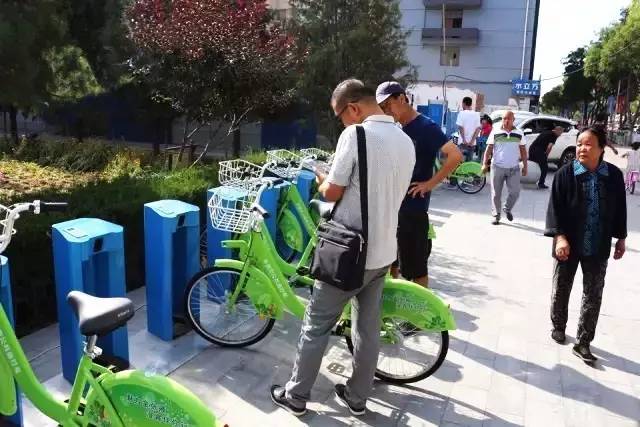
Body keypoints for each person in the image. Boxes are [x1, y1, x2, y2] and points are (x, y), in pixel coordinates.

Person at [271, 79, 415, 417]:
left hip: (349, 253)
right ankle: (357, 397)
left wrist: (323, 182)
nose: (342, 123)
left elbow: (333, 192)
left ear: (353, 108)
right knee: (367, 329)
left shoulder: (356, 135)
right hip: (383, 252)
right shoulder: (405, 140)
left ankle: (296, 395)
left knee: (316, 324)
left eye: (340, 116)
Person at [545, 126, 627, 364]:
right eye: (579, 143)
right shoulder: (565, 174)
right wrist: (559, 237)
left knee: (593, 294)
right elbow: (554, 209)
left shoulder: (613, 175)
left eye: (588, 144)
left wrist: (621, 237)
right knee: (562, 286)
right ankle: (558, 325)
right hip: (567, 243)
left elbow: (620, 207)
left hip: (598, 243)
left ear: (602, 148)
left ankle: (583, 342)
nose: (582, 148)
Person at [375, 81, 463, 287]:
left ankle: (420, 308)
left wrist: (429, 184)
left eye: (388, 105)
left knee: (416, 269)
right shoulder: (397, 128)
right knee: (392, 262)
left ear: (402, 98)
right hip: (393, 207)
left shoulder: (426, 127)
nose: (386, 111)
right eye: (382, 107)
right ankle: (394, 303)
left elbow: (455, 155)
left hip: (413, 208)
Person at [481, 110, 528, 225]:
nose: (506, 121)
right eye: (504, 118)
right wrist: (484, 164)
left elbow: (523, 150)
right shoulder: (495, 132)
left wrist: (525, 166)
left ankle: (507, 208)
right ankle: (496, 215)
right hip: (497, 167)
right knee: (496, 193)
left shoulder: (519, 133)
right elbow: (489, 149)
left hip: (514, 168)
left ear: (513, 120)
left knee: (515, 192)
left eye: (508, 119)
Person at [456, 97, 482, 162]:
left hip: (462, 143)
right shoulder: (477, 114)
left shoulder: (461, 113)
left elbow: (461, 127)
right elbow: (478, 129)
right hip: (472, 144)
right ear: (471, 104)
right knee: (469, 164)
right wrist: (472, 141)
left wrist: (464, 140)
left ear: (464, 103)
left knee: (460, 163)